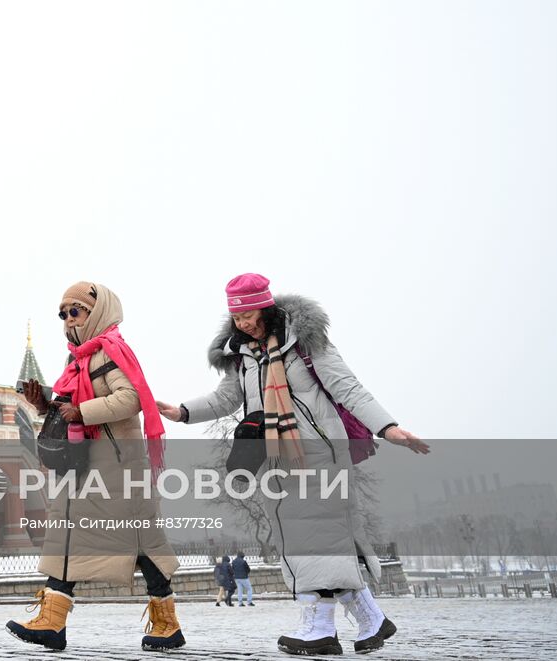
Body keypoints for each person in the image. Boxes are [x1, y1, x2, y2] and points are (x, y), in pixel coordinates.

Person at [157, 274, 430, 656]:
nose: (244, 323)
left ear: (265, 308)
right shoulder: (242, 356)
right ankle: (371, 618)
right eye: (237, 318)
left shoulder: (304, 341)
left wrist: (387, 427)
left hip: (317, 451)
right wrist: (183, 411)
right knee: (301, 535)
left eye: (249, 315)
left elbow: (347, 387)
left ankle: (319, 628)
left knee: (316, 536)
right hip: (274, 458)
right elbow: (226, 398)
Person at [7, 282, 185, 653]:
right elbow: (67, 409)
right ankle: (52, 621)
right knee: (66, 535)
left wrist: (82, 411)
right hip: (83, 464)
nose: (69, 320)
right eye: (63, 314)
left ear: (97, 311)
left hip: (118, 465)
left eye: (76, 311)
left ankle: (167, 623)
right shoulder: (77, 360)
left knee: (141, 543)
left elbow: (132, 398)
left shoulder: (110, 350)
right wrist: (43, 405)